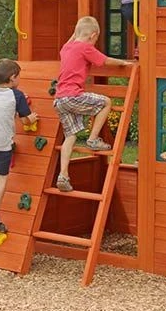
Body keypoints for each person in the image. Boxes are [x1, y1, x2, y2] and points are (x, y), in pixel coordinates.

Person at [53, 16, 133, 193]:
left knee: (70, 136)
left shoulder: (66, 47)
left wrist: (77, 31)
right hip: (73, 96)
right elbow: (105, 60)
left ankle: (63, 175)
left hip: (59, 100)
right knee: (106, 102)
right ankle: (93, 139)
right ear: (93, 35)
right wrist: (123, 63)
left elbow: (74, 37)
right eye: (96, 38)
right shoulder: (86, 47)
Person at [0, 59, 37, 233]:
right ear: (12, 78)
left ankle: (10, 149)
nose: (20, 79)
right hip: (1, 146)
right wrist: (32, 118)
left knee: (5, 146)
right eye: (19, 76)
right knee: (2, 179)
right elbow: (25, 120)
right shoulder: (17, 95)